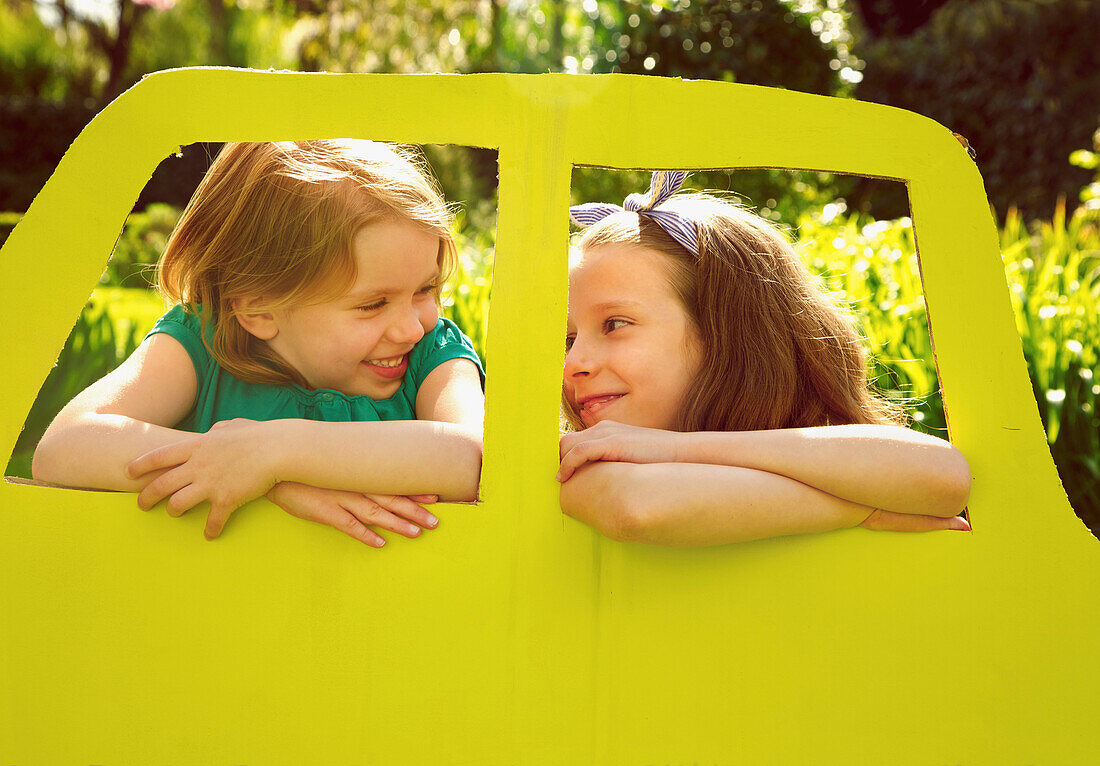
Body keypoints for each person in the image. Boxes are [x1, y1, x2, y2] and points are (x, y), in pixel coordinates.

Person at [33, 140, 484, 547]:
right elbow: (64, 448)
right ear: (259, 309)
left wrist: (276, 452)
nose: (410, 326)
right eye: (372, 305)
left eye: (425, 290)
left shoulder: (431, 356)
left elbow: (474, 459)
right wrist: (270, 481)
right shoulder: (206, 347)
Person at [557, 171, 971, 545]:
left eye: (614, 324)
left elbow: (944, 475)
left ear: (728, 331)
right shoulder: (577, 460)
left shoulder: (831, 443)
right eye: (569, 339)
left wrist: (671, 447)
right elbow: (640, 505)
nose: (575, 362)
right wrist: (863, 508)